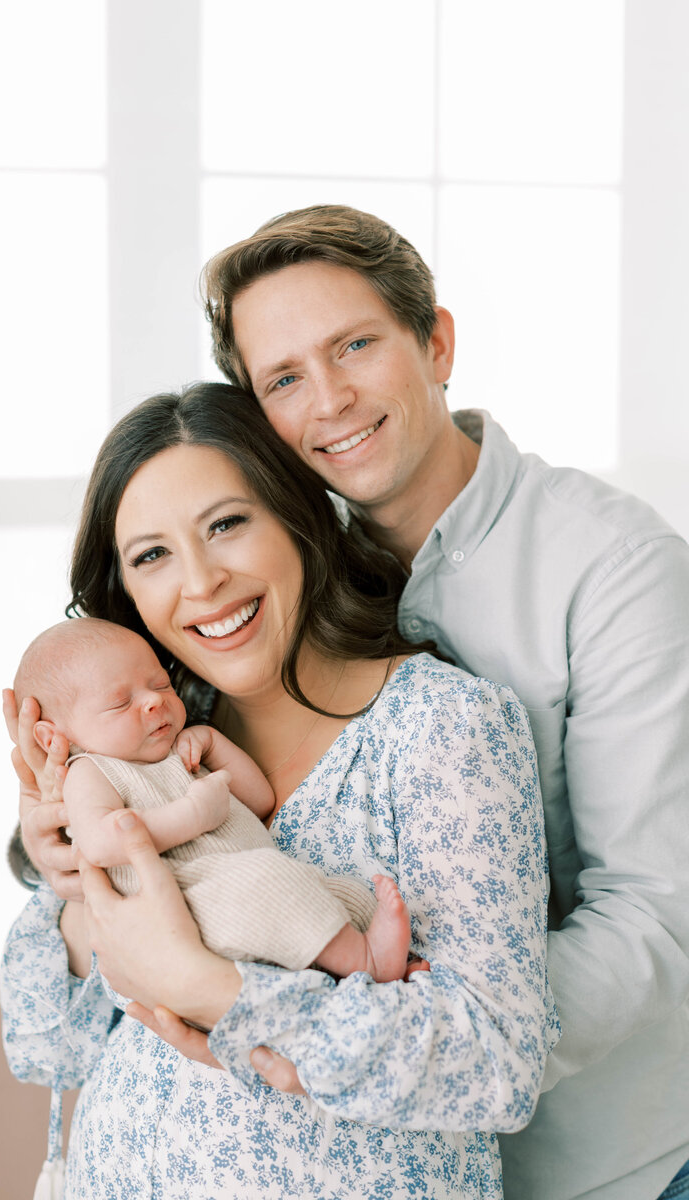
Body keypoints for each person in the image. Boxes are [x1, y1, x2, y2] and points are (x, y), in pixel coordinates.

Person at [190, 205, 689, 1200]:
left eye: (354, 346)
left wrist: (396, 1046)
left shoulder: (616, 568)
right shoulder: (270, 570)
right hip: (370, 1169)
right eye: (283, 378)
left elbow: (656, 913)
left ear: (435, 342)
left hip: (605, 1167)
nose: (327, 400)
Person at [1, 382, 557, 1199]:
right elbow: (48, 1047)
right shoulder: (143, 740)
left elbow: (496, 1062)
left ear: (299, 517)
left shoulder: (440, 727)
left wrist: (214, 988)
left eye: (227, 524)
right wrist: (78, 891)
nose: (200, 582)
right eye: (151, 555)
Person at [14, 615, 411, 980]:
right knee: (276, 885)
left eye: (160, 685)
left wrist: (212, 744)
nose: (154, 701)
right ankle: (366, 961)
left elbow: (258, 801)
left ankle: (375, 954)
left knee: (341, 893)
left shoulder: (178, 752)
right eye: (121, 702)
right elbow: (100, 844)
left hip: (252, 886)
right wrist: (193, 815)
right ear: (53, 738)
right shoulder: (90, 772)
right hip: (192, 903)